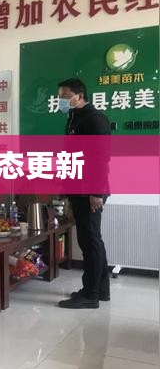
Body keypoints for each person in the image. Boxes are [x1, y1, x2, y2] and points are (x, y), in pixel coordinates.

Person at [56, 78, 111, 310]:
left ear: (79, 96)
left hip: (90, 191)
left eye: (65, 96)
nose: (61, 100)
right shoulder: (74, 118)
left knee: (89, 242)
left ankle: (91, 295)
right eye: (60, 96)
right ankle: (101, 289)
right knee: (91, 240)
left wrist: (96, 192)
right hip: (78, 188)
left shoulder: (94, 119)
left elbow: (100, 159)